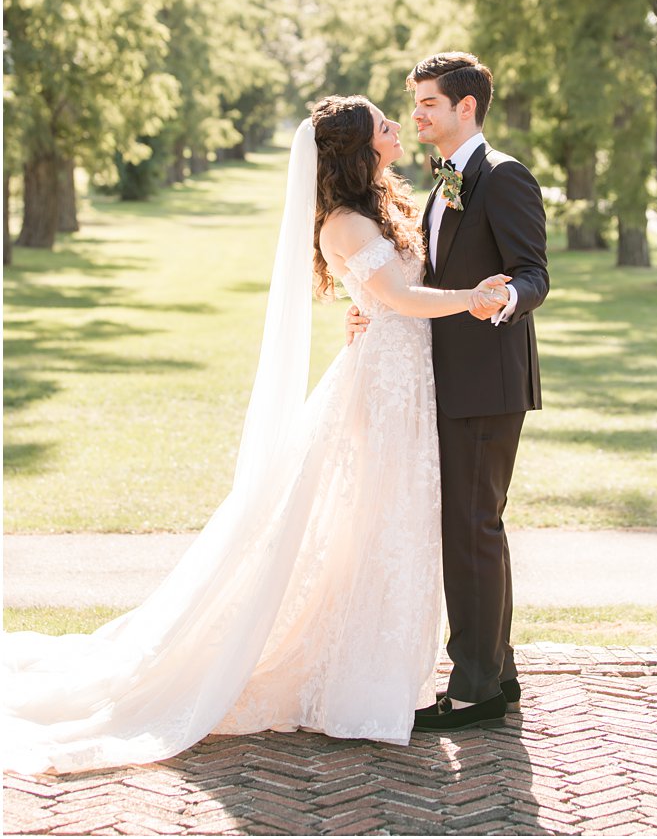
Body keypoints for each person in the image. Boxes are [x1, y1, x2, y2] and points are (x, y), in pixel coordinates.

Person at [2, 96, 510, 774]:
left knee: (389, 526)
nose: (396, 128)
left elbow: (390, 294)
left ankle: (373, 673)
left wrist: (382, 311)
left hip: (404, 380)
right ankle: (353, 684)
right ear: (358, 148)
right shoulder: (345, 222)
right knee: (369, 527)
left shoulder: (376, 206)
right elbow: (402, 299)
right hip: (383, 393)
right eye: (385, 124)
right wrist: (472, 298)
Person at [347, 52, 549, 732]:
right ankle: (497, 671)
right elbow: (416, 283)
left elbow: (533, 274)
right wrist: (373, 309)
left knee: (473, 528)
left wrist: (502, 299)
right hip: (446, 382)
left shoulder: (504, 176)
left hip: (487, 381)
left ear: (466, 107)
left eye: (429, 102)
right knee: (472, 527)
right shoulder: (444, 185)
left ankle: (473, 689)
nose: (417, 114)